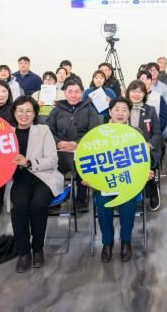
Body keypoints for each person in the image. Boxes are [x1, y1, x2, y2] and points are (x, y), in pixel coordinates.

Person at [92, 97, 156, 262]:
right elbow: (90, 159)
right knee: (102, 202)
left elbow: (144, 160)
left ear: (129, 113)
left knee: (128, 203)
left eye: (124, 110)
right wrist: (87, 178)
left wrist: (145, 173)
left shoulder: (136, 133)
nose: (120, 113)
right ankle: (107, 242)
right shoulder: (98, 134)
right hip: (105, 182)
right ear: (110, 112)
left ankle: (126, 241)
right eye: (116, 109)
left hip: (129, 182)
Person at [10, 96, 63, 272]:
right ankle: (24, 252)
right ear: (14, 112)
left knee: (38, 205)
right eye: (20, 111)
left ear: (35, 114)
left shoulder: (43, 130)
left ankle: (38, 248)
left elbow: (53, 160)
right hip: (19, 179)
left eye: (28, 111)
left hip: (44, 177)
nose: (24, 115)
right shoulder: (6, 133)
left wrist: (29, 162)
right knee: (19, 206)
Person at [46, 79, 103, 212]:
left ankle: (81, 200)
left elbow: (94, 131)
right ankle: (56, 197)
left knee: (84, 165)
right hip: (60, 150)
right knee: (51, 166)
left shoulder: (90, 110)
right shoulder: (56, 110)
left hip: (82, 150)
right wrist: (58, 142)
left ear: (82, 93)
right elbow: (48, 130)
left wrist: (78, 144)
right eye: (70, 91)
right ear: (65, 93)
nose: (73, 95)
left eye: (77, 92)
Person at [126, 81, 163, 211]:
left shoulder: (150, 110)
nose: (136, 94)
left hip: (147, 150)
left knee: (145, 163)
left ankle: (152, 189)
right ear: (128, 92)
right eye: (133, 91)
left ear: (145, 94)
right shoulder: (123, 109)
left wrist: (149, 144)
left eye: (140, 91)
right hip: (126, 151)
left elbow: (157, 133)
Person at [138, 70, 167, 137]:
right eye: (142, 79)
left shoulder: (158, 96)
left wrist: (157, 130)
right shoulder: (134, 96)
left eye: (147, 79)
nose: (145, 81)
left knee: (165, 132)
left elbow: (164, 116)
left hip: (155, 126)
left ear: (151, 81)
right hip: (138, 128)